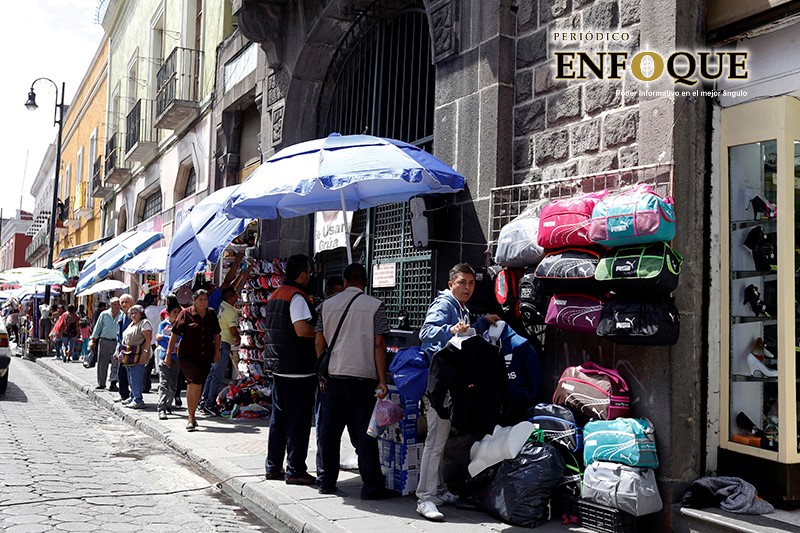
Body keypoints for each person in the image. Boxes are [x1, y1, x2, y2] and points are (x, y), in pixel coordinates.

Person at [415, 263, 501, 521]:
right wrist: (449, 330)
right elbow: (426, 333)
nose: (467, 287)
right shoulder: (444, 305)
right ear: (451, 283)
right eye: (462, 282)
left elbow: (466, 331)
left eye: (471, 283)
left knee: (441, 443)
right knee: (434, 443)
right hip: (439, 386)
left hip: (451, 384)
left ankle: (439, 490)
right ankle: (425, 498)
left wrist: (482, 322)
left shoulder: (459, 307)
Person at [315, 263, 394, 500]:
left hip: (334, 377)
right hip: (363, 379)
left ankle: (326, 481)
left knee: (329, 432)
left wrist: (322, 371)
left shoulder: (326, 305)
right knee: (365, 434)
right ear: (366, 283)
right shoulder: (375, 306)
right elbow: (379, 344)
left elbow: (319, 342)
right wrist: (382, 380)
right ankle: (371, 485)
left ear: (345, 281)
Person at [264, 254, 318, 485]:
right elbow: (301, 330)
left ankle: (273, 466)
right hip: (297, 367)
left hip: (279, 366)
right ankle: (295, 469)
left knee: (279, 419)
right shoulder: (296, 297)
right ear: (303, 273)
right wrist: (321, 332)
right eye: (309, 272)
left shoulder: (277, 293)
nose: (310, 276)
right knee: (298, 421)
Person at [167, 289, 221, 431]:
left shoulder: (211, 314)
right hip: (188, 355)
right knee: (193, 382)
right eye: (200, 300)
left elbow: (217, 334)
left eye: (205, 300)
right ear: (194, 301)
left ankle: (193, 414)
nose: (203, 303)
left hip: (205, 355)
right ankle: (190, 418)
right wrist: (168, 354)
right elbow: (175, 334)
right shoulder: (185, 314)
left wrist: (217, 352)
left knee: (199, 384)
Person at [200, 287, 240, 416]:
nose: (237, 298)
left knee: (211, 375)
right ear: (230, 297)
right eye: (235, 296)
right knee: (217, 375)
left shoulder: (221, 306)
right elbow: (233, 329)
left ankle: (203, 402)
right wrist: (238, 337)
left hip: (216, 343)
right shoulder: (230, 311)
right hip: (223, 344)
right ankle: (209, 404)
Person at [119, 305, 153, 409]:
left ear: (141, 314)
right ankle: (133, 396)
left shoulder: (144, 323)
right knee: (130, 376)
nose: (133, 315)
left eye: (136, 313)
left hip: (138, 353)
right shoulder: (132, 324)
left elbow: (148, 339)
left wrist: (145, 353)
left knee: (136, 376)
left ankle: (138, 399)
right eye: (132, 313)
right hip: (129, 353)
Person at [156, 296, 182, 420]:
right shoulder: (163, 324)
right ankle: (161, 408)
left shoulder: (181, 325)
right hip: (164, 357)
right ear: (169, 313)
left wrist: (166, 339)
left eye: (178, 312)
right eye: (174, 312)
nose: (177, 315)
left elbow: (181, 340)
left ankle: (168, 404)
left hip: (176, 358)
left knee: (173, 384)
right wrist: (171, 342)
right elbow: (159, 340)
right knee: (164, 383)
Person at [89, 297, 123, 389]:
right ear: (110, 305)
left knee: (115, 363)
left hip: (116, 342)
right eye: (115, 304)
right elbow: (98, 327)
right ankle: (101, 383)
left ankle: (113, 382)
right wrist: (93, 339)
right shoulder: (104, 314)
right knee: (102, 362)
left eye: (118, 304)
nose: (117, 306)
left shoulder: (122, 315)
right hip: (104, 340)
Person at [114, 295, 136, 401]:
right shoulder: (121, 315)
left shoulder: (134, 315)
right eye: (122, 302)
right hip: (122, 348)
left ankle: (133, 396)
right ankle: (123, 394)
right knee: (121, 372)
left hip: (132, 347)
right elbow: (119, 335)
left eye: (126, 302)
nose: (124, 304)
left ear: (132, 303)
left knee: (131, 373)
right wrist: (117, 350)